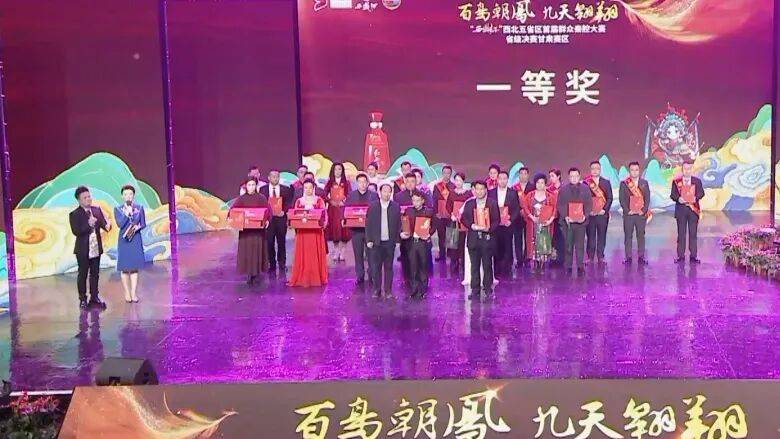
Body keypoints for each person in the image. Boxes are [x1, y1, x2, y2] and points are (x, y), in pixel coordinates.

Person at [69, 186, 112, 309]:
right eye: (85, 197)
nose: (88, 199)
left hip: (96, 248)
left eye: (89, 196)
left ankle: (94, 297)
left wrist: (108, 224)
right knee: (82, 274)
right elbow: (76, 231)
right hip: (83, 250)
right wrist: (89, 225)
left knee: (95, 274)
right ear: (79, 200)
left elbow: (104, 226)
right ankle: (83, 299)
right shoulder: (74, 214)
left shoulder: (96, 210)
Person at [460, 180, 500, 300]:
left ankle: (488, 289)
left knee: (487, 265)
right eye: (477, 189)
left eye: (482, 189)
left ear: (486, 190)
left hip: (487, 239)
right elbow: (463, 218)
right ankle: (475, 290)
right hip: (473, 238)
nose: (479, 191)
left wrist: (489, 228)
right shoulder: (469, 203)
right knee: (474, 266)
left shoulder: (492, 203)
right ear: (474, 190)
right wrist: (471, 225)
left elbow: (497, 220)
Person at [288, 179, 329, 287]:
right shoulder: (299, 201)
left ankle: (316, 277)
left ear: (313, 188)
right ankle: (302, 276)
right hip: (302, 233)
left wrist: (323, 223)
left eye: (310, 187)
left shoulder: (319, 200)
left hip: (316, 233)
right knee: (303, 255)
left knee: (314, 254)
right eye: (306, 188)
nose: (308, 190)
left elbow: (324, 215)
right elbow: (295, 215)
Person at [232, 178, 270, 285]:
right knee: (247, 251)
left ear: (256, 186)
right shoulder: (241, 199)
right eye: (249, 185)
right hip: (246, 231)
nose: (251, 187)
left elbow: (268, 210)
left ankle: (256, 273)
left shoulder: (261, 198)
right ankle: (249, 273)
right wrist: (233, 219)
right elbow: (233, 210)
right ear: (246, 186)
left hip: (258, 231)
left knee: (257, 250)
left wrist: (267, 219)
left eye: (253, 185)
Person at [366, 184, 401, 299]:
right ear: (380, 193)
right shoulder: (373, 206)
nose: (387, 194)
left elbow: (398, 225)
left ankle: (388, 291)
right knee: (376, 267)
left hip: (389, 242)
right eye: (384, 191)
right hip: (376, 242)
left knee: (389, 267)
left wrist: (397, 240)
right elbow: (368, 224)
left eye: (389, 192)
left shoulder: (395, 206)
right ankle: (377, 290)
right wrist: (369, 239)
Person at [557, 168, 593, 276]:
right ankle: (568, 266)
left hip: (581, 222)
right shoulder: (563, 190)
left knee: (580, 245)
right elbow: (560, 205)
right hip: (567, 223)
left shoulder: (585, 189)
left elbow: (589, 204)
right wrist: (566, 216)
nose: (574, 178)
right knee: (568, 245)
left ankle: (580, 266)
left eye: (576, 176)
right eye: (571, 176)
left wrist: (585, 216)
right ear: (569, 177)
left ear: (579, 176)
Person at [114, 185, 146, 303]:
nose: (128, 196)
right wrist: (126, 214)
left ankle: (133, 293)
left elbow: (143, 224)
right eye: (126, 194)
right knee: (124, 268)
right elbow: (120, 224)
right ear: (122, 196)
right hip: (124, 240)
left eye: (130, 194)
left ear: (133, 195)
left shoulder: (139, 208)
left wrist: (137, 228)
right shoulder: (118, 209)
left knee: (134, 268)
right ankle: (127, 292)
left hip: (135, 239)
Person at [345, 173, 379, 285]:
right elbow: (346, 210)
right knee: (358, 254)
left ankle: (372, 275)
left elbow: (377, 210)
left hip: (370, 230)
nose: (362, 184)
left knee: (371, 254)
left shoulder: (373, 195)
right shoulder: (351, 195)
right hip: (356, 230)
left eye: (364, 182)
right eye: (360, 182)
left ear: (368, 183)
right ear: (357, 183)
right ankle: (360, 275)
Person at [670, 160, 705, 264]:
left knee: (693, 234)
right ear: (682, 169)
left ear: (692, 169)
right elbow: (672, 195)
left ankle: (693, 256)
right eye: (685, 169)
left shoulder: (697, 181)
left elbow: (701, 193)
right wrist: (678, 199)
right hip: (681, 211)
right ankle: (680, 256)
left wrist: (695, 197)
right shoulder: (676, 182)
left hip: (693, 211)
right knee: (681, 234)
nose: (687, 171)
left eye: (689, 169)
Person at [522, 174, 557, 273]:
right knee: (534, 243)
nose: (540, 185)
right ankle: (536, 264)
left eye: (542, 183)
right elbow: (525, 207)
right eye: (538, 182)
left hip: (546, 224)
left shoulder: (550, 196)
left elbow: (555, 209)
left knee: (544, 243)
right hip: (534, 224)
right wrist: (531, 217)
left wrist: (551, 220)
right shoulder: (530, 195)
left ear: (545, 184)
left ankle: (542, 265)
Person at [259, 169, 293, 274]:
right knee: (269, 242)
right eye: (273, 176)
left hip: (281, 219)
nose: (275, 178)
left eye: (277, 176)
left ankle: (282, 263)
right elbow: (262, 203)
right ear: (269, 178)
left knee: (281, 241)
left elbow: (288, 203)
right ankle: (272, 264)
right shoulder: (263, 190)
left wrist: (284, 211)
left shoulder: (285, 189)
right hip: (269, 220)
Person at [402, 191, 434, 298]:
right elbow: (403, 223)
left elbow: (434, 224)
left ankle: (423, 289)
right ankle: (414, 289)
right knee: (413, 266)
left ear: (422, 201)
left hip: (423, 242)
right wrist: (403, 232)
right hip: (411, 242)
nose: (415, 203)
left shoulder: (428, 212)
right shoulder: (408, 211)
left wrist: (429, 233)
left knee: (423, 266)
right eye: (414, 200)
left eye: (418, 200)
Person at [488, 171, 521, 277]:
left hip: (507, 224)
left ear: (507, 180)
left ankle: (507, 268)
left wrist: (510, 220)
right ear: (497, 180)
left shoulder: (513, 193)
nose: (502, 181)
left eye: (504, 179)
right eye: (500, 179)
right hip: (495, 225)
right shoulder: (491, 192)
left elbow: (516, 209)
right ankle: (496, 268)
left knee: (508, 246)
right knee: (496, 246)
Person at [619, 161, 651, 265]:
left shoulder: (644, 183)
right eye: (632, 170)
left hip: (641, 215)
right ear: (629, 171)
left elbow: (647, 198)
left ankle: (641, 257)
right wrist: (628, 210)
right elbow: (622, 199)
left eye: (636, 170)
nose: (634, 172)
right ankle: (628, 257)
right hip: (629, 215)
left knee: (641, 236)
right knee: (628, 236)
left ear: (639, 171)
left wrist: (643, 210)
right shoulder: (624, 184)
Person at [584, 161, 613, 265]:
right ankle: (590, 257)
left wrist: (604, 210)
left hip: (602, 215)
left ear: (600, 170)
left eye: (597, 168)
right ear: (590, 170)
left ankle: (601, 256)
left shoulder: (606, 182)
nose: (595, 170)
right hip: (590, 215)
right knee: (590, 236)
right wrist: (588, 211)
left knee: (602, 236)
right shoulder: (585, 183)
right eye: (593, 168)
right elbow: (583, 199)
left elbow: (609, 198)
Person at [394, 172, 419, 284]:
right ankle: (407, 278)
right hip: (405, 231)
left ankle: (419, 278)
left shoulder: (421, 195)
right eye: (407, 181)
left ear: (416, 182)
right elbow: (396, 215)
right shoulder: (398, 196)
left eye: (412, 181)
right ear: (404, 182)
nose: (410, 184)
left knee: (419, 257)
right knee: (405, 255)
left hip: (418, 231)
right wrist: (399, 232)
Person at [324, 162, 352, 262]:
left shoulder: (347, 183)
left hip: (343, 209)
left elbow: (350, 195)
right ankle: (336, 251)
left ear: (342, 171)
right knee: (334, 230)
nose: (337, 171)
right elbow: (324, 194)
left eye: (339, 169)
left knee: (344, 230)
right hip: (333, 209)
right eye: (335, 169)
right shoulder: (329, 183)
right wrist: (330, 201)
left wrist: (343, 201)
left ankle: (343, 252)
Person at [445, 173, 472, 273]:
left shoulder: (468, 194)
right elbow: (448, 206)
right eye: (456, 180)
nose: (458, 182)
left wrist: (464, 217)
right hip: (453, 222)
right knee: (453, 245)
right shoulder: (451, 193)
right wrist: (451, 215)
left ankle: (464, 265)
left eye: (460, 180)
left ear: (463, 181)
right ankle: (453, 265)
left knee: (463, 244)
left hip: (464, 223)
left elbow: (469, 206)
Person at [432, 165, 455, 262]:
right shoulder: (437, 186)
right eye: (444, 173)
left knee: (451, 234)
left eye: (448, 173)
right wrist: (436, 213)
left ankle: (451, 254)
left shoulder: (454, 186)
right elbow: (434, 200)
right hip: (440, 214)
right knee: (441, 235)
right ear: (442, 173)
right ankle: (442, 254)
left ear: (450, 174)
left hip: (450, 214)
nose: (446, 175)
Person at [512, 167, 533, 268]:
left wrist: (527, 211)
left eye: (525, 173)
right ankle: (519, 259)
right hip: (517, 216)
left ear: (528, 175)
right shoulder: (514, 188)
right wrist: (519, 210)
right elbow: (512, 201)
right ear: (518, 175)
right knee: (517, 238)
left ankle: (527, 258)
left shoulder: (532, 187)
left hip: (529, 216)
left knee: (528, 238)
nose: (523, 176)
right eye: (521, 173)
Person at [547, 168, 564, 266]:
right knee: (552, 237)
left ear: (558, 176)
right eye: (550, 176)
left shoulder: (564, 188)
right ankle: (553, 258)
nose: (551, 178)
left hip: (562, 216)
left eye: (552, 176)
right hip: (552, 217)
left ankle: (562, 258)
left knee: (562, 237)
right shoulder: (548, 189)